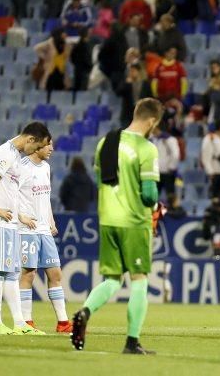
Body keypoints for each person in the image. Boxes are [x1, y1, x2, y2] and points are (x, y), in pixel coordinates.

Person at [71, 98, 164, 354]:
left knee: (112, 279)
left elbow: (104, 180)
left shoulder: (106, 142)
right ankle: (132, 342)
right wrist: (157, 205)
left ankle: (84, 311)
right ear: (152, 121)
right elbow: (149, 195)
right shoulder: (146, 148)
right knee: (139, 279)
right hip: (133, 221)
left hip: (107, 219)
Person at [0, 122, 51, 335]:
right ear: (30, 140)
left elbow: (11, 191)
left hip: (11, 223)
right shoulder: (5, 153)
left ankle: (20, 323)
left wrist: (18, 215)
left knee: (12, 273)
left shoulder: (18, 159)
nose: (36, 151)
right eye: (36, 147)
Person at [15, 140, 71, 334]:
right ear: (38, 146)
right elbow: (10, 193)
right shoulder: (22, 167)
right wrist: (20, 215)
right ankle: (26, 322)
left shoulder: (46, 167)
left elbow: (45, 197)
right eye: (49, 145)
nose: (52, 149)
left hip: (44, 228)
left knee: (55, 274)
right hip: (26, 228)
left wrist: (51, 220)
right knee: (28, 274)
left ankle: (63, 323)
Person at [150, 123, 181, 198]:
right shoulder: (153, 139)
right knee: (155, 196)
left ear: (157, 127)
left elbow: (175, 154)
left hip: (167, 172)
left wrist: (171, 167)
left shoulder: (169, 139)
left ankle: (172, 209)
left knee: (170, 195)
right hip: (156, 173)